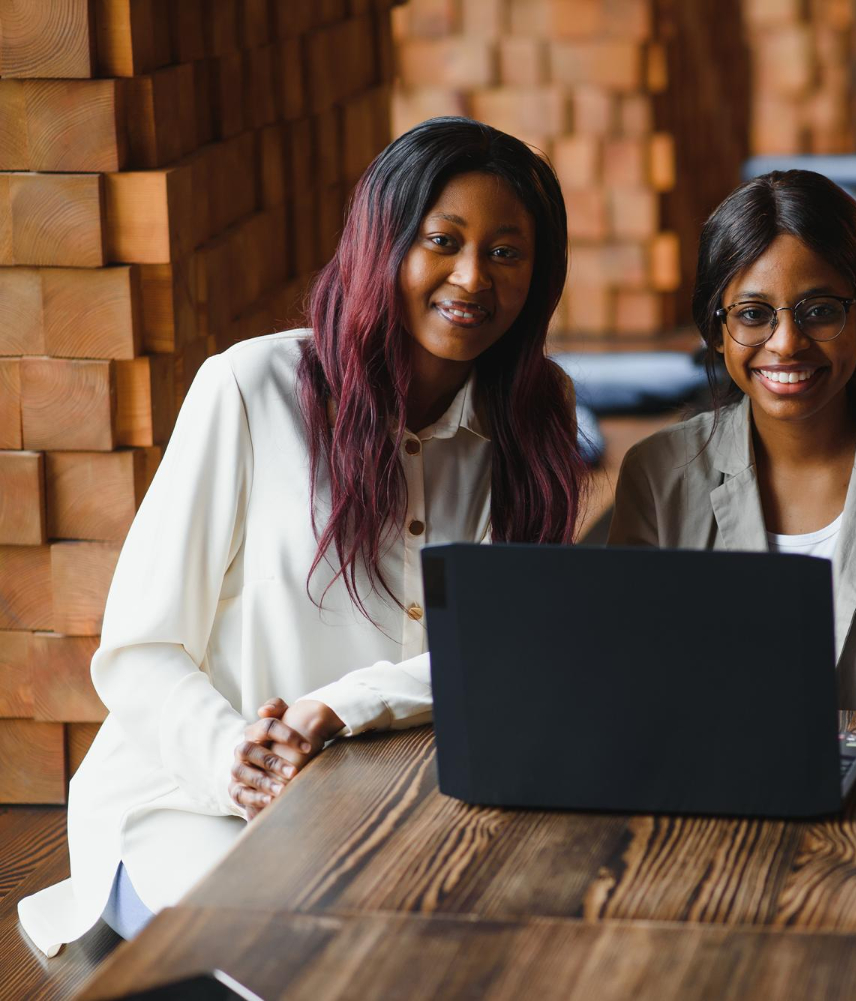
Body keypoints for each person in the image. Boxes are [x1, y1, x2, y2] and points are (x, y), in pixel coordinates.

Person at [18, 117, 585, 956]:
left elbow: (511, 645)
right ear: (382, 242)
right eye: (443, 240)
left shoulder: (535, 415)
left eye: (506, 252)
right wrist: (237, 756)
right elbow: (139, 649)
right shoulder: (251, 389)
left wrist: (338, 711)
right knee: (291, 952)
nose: (472, 276)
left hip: (403, 803)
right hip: (192, 800)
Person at [607, 170, 856, 708]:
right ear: (714, 330)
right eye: (752, 315)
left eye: (820, 311)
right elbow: (632, 677)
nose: (787, 343)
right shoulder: (658, 474)